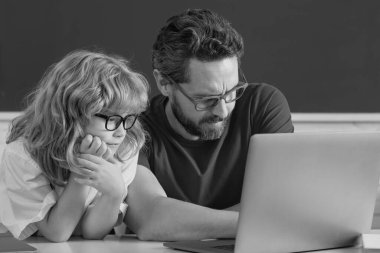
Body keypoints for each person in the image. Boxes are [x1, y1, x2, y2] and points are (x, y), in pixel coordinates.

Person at [123, 9, 294, 241]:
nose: (223, 110)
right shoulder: (134, 127)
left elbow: (282, 201)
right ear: (164, 83)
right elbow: (151, 220)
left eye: (232, 92)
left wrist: (183, 224)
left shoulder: (262, 105)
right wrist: (265, 221)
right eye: (206, 99)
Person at [0, 50, 149, 242]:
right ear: (73, 115)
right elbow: (58, 232)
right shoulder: (22, 155)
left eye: (129, 118)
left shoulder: (125, 146)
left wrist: (115, 193)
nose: (121, 132)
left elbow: (91, 233)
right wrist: (81, 174)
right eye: (111, 119)